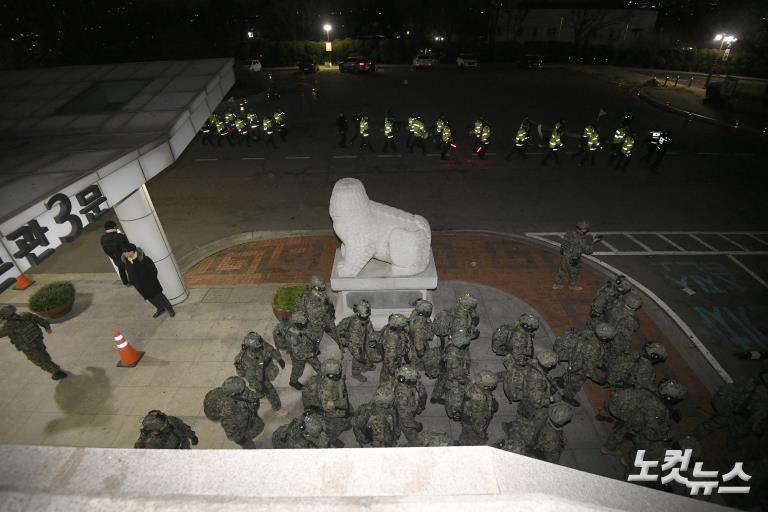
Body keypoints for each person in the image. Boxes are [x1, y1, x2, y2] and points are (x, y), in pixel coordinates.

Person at [0, 304, 67, 380]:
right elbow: (38, 319)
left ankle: (56, 372)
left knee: (38, 360)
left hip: (28, 347)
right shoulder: (25, 315)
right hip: (37, 338)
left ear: (4, 316)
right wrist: (47, 327)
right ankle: (50, 363)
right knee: (42, 352)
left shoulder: (8, 327)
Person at [556, 323, 614, 407]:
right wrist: (598, 379)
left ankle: (563, 380)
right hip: (579, 366)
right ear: (604, 338)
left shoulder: (589, 332)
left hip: (573, 356)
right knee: (575, 383)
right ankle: (567, 397)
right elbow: (588, 370)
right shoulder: (595, 348)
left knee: (570, 374)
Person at [302, 358, 352, 447]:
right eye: (337, 372)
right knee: (333, 427)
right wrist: (340, 405)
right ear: (331, 375)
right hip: (331, 413)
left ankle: (344, 424)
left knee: (345, 417)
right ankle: (332, 439)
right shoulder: (326, 391)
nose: (339, 373)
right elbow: (328, 409)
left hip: (337, 402)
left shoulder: (328, 378)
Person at [203, 376, 264, 449]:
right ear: (234, 395)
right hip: (238, 426)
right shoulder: (229, 413)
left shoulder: (237, 390)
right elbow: (232, 433)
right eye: (242, 392)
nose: (247, 392)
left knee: (256, 423)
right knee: (248, 445)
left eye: (244, 388)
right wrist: (243, 441)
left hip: (242, 413)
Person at [234, 331, 286, 413]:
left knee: (262, 390)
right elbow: (251, 378)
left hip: (263, 369)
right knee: (271, 392)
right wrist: (261, 386)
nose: (261, 347)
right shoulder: (247, 361)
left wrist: (278, 358)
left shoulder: (258, 342)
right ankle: (277, 407)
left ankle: (260, 394)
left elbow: (269, 348)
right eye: (258, 347)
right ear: (251, 348)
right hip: (257, 377)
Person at [121, 243, 175, 318]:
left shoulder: (144, 259)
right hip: (140, 286)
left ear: (132, 252)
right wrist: (131, 282)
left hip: (151, 284)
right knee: (150, 299)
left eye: (125, 252)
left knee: (160, 296)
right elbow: (129, 273)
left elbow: (154, 271)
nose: (123, 254)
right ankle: (160, 308)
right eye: (123, 252)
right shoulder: (126, 261)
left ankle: (170, 309)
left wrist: (152, 282)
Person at [552, 220, 602, 290]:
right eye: (586, 229)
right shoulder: (581, 239)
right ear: (583, 229)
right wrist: (593, 242)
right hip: (574, 258)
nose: (586, 231)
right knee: (574, 272)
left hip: (565, 255)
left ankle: (557, 284)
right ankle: (572, 285)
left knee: (562, 270)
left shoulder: (570, 233)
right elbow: (588, 251)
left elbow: (564, 243)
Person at [337, 300, 377, 382]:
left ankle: (366, 365)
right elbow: (353, 344)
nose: (365, 316)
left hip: (364, 339)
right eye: (363, 315)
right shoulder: (355, 324)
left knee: (367, 352)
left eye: (367, 314)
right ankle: (356, 373)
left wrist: (372, 339)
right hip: (355, 343)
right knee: (358, 358)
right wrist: (358, 355)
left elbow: (370, 329)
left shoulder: (365, 319)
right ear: (358, 313)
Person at [458, 370, 499, 445]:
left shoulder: (474, 383)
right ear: (486, 386)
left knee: (466, 431)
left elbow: (467, 387)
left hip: (466, 413)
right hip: (472, 419)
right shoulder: (479, 398)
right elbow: (478, 417)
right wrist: (481, 431)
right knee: (474, 437)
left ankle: (463, 440)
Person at [295, 276, 338, 345]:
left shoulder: (321, 293)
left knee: (334, 331)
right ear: (315, 287)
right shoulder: (310, 300)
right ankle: (315, 346)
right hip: (317, 323)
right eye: (321, 287)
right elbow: (314, 318)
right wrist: (323, 325)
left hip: (326, 316)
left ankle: (339, 343)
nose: (323, 289)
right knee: (317, 339)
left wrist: (330, 311)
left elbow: (327, 303)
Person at [284, 312, 321, 390]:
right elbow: (298, 355)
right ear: (297, 324)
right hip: (299, 355)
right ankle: (293, 382)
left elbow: (310, 333)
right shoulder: (292, 336)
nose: (306, 323)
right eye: (303, 323)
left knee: (318, 365)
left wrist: (315, 343)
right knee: (298, 370)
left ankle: (323, 376)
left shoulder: (304, 324)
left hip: (308, 348)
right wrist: (312, 354)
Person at [394, 365, 428, 445]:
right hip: (403, 415)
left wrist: (420, 406)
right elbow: (406, 421)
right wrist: (417, 425)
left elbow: (423, 394)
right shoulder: (402, 395)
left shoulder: (415, 383)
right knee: (415, 441)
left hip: (411, 406)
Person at [100, 220, 130, 285]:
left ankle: (125, 282)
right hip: (125, 256)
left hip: (115, 258)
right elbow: (127, 243)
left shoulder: (103, 238)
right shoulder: (119, 236)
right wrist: (122, 234)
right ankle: (132, 281)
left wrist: (113, 256)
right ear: (114, 227)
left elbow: (105, 250)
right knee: (129, 269)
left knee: (121, 270)